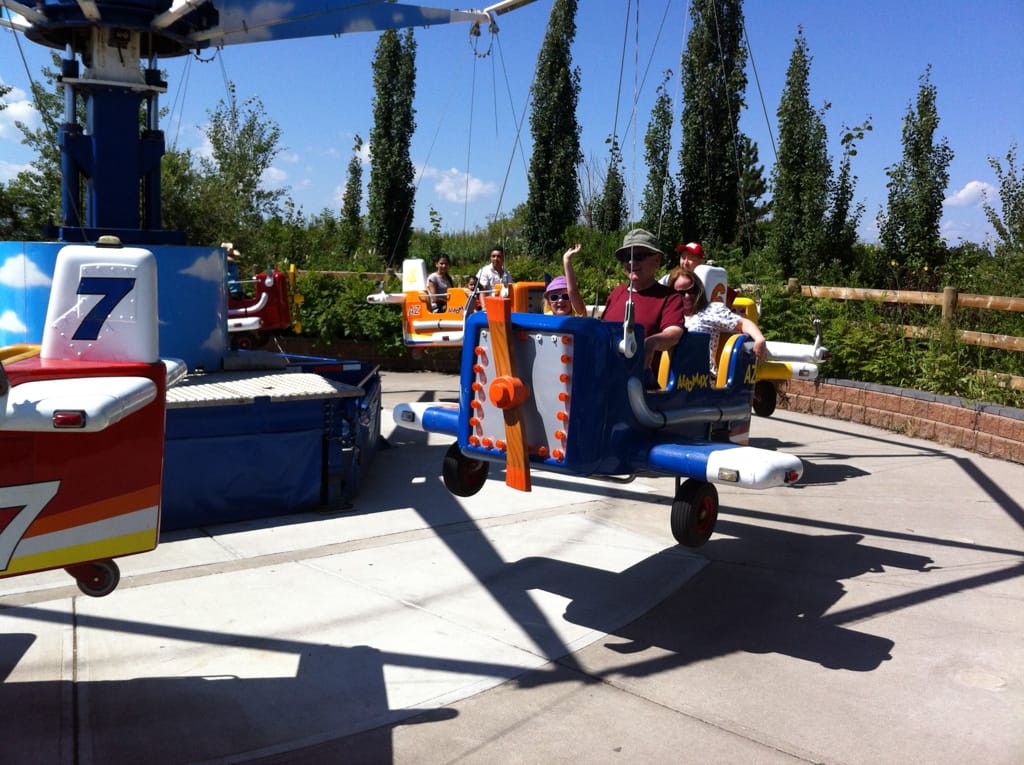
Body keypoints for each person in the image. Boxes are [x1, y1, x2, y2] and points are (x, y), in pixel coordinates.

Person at [602, 229, 686, 372]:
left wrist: (652, 342)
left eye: (638, 256)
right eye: (626, 257)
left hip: (641, 379)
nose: (631, 262)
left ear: (657, 260)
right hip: (605, 374)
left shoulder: (670, 297)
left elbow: (674, 333)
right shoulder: (616, 293)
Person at [670, 266, 767, 373]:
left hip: (701, 375)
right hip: (671, 370)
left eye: (691, 290)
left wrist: (759, 339)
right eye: (681, 293)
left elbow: (743, 323)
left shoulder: (711, 310)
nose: (687, 296)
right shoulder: (668, 313)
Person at [544, 243, 587, 317]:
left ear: (572, 301)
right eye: (554, 297)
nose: (560, 300)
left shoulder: (577, 314)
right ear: (549, 303)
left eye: (566, 296)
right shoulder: (546, 318)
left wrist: (566, 260)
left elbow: (573, 291)